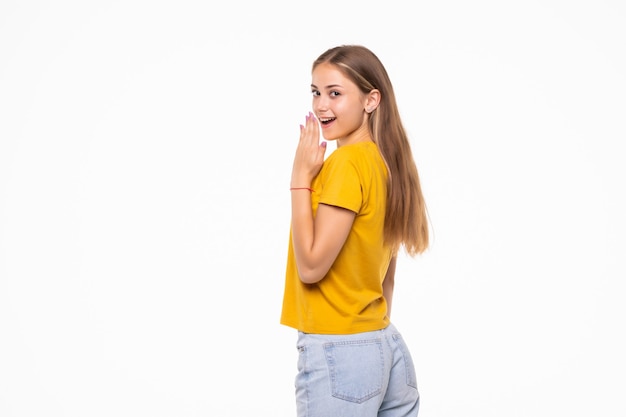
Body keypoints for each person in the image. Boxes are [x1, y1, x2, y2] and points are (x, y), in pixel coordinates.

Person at [280, 45, 429, 417]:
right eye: (315, 92)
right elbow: (387, 280)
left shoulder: (346, 164)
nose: (321, 106)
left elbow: (311, 267)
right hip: (384, 345)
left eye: (335, 93)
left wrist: (300, 180)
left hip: (339, 350)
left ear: (370, 99)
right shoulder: (386, 164)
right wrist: (369, 344)